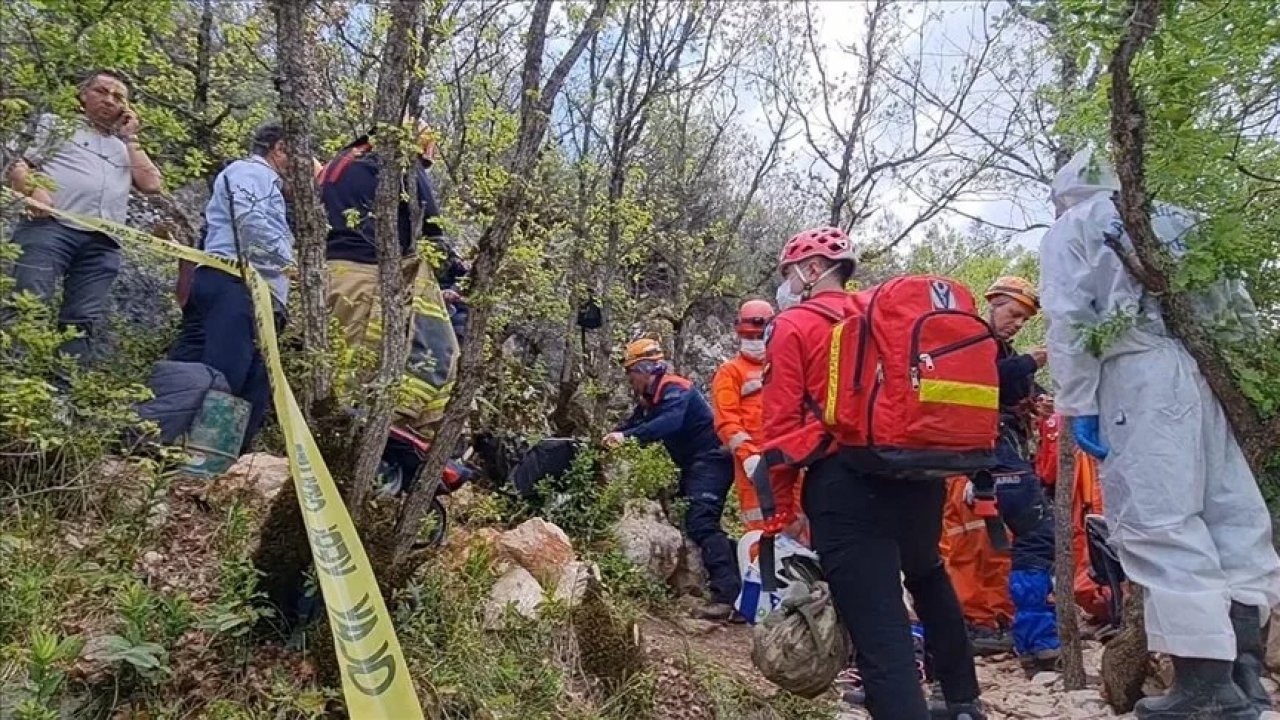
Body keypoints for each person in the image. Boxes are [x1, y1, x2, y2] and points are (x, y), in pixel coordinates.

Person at [1040, 148, 1280, 719]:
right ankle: (1247, 678)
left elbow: (1070, 319)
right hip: (1206, 373)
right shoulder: (1181, 218)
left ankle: (1205, 688)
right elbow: (1236, 310)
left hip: (1139, 377)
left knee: (1159, 523)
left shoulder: (1076, 227)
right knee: (1232, 520)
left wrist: (1076, 403)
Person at [761, 226, 983, 720]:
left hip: (847, 484)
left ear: (813, 268)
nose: (787, 282)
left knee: (879, 626)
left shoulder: (794, 324)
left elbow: (779, 426)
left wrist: (782, 512)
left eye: (790, 272)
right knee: (927, 576)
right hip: (918, 475)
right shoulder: (881, 313)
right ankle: (963, 701)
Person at [319, 123, 459, 485]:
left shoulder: (341, 163)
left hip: (329, 273)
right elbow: (432, 226)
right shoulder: (398, 164)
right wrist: (456, 271)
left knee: (338, 362)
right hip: (369, 276)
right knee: (368, 369)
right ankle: (358, 463)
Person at [3, 69, 164, 365]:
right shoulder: (56, 125)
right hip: (50, 228)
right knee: (28, 304)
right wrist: (35, 190)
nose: (109, 100)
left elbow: (152, 184)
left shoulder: (124, 148)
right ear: (83, 96)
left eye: (118, 97)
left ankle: (62, 395)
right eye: (101, 91)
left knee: (81, 320)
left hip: (102, 243)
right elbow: (18, 164)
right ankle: (14, 381)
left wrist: (132, 138)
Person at [169, 121, 293, 453]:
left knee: (249, 380)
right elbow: (249, 223)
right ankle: (192, 457)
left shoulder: (271, 185)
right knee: (226, 374)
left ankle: (213, 459)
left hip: (248, 287)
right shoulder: (252, 173)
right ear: (280, 148)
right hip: (235, 282)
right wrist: (290, 264)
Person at [603, 338, 741, 620]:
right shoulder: (651, 399)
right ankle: (739, 578)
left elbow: (669, 423)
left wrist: (626, 438)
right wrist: (613, 436)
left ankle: (727, 596)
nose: (630, 381)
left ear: (643, 370)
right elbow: (635, 424)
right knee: (691, 520)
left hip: (712, 460)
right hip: (696, 465)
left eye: (631, 374)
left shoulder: (676, 389)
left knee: (701, 522)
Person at [973, 276, 1060, 671]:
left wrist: (1036, 402)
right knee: (1037, 535)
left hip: (1001, 451)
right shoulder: (974, 341)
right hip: (993, 452)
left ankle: (1030, 634)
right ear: (994, 302)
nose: (1017, 323)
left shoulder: (1001, 348)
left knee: (1027, 538)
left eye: (1023, 319)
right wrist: (1032, 360)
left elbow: (1013, 385)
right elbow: (987, 378)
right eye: (1013, 314)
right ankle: (1038, 640)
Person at [711, 299, 793, 533]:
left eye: (759, 337)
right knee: (762, 529)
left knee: (801, 530)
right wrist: (748, 456)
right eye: (749, 337)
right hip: (754, 466)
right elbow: (727, 421)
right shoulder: (730, 372)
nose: (755, 343)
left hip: (791, 463)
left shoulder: (785, 367)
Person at [939, 475, 1014, 655]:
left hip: (972, 474)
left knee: (989, 552)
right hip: (948, 477)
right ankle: (980, 621)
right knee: (959, 555)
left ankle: (998, 620)